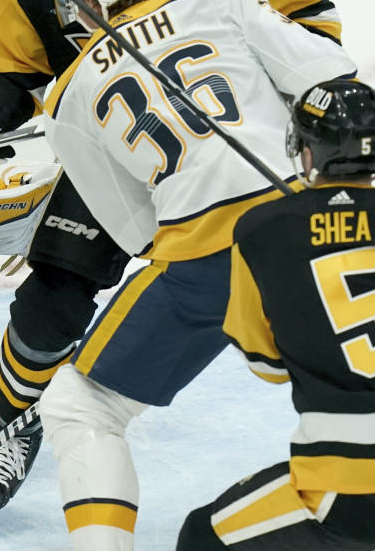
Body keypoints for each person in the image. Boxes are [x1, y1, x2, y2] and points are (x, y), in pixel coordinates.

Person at [0, 0, 344, 515]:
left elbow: (312, 28)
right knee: (55, 289)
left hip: (258, 149)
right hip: (126, 147)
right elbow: (9, 74)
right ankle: (12, 428)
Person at [33, 0, 357, 550]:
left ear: (92, 0)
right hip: (314, 225)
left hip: (200, 260)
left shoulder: (67, 96)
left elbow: (135, 230)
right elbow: (331, 75)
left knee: (82, 406)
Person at [176, 80, 375, 550]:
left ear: (308, 153)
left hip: (344, 487)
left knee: (203, 537)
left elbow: (265, 365)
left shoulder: (262, 230)